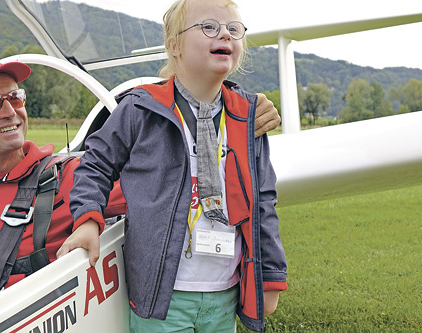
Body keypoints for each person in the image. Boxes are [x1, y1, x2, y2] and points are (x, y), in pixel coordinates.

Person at [67, 0, 287, 331]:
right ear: (174, 46)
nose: (224, 35)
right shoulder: (139, 110)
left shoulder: (248, 117)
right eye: (209, 27)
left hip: (223, 294)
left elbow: (263, 201)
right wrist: (87, 219)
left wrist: (269, 275)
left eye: (233, 29)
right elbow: (94, 165)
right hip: (161, 297)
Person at [0, 56, 126, 309]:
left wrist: (90, 220)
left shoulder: (75, 178)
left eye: (15, 97)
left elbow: (163, 190)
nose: (10, 112)